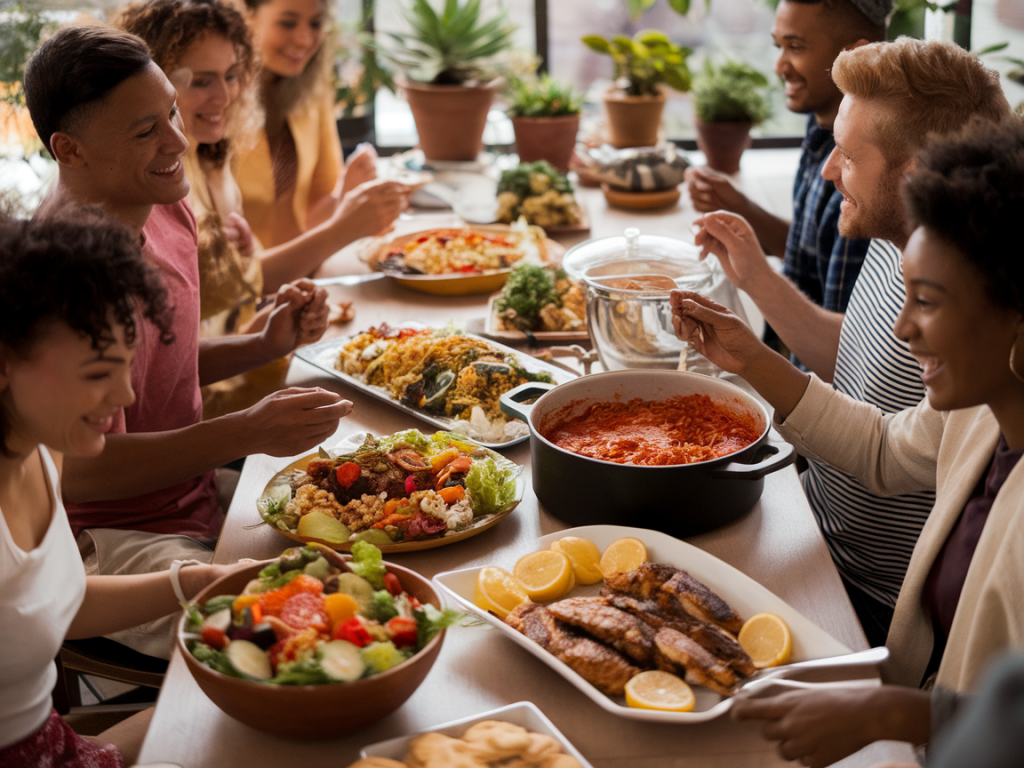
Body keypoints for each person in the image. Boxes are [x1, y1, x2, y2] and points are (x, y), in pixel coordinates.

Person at [673, 115, 1024, 767]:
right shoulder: (984, 405)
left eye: (927, 301)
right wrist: (751, 359)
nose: (902, 327)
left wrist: (898, 712)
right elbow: (887, 449)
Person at [22, 24, 352, 658]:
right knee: (296, 640)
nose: (177, 140)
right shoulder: (63, 279)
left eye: (170, 112)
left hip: (195, 494)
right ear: (71, 151)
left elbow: (155, 369)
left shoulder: (162, 197)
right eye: (145, 131)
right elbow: (78, 472)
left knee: (373, 516)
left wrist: (263, 344)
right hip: (110, 540)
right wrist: (246, 432)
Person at [689, 39, 1010, 645]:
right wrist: (755, 294)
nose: (829, 170)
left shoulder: (977, 326)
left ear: (914, 177)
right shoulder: (895, 236)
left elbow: (889, 453)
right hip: (808, 522)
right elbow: (860, 356)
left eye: (846, 156)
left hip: (869, 597)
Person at [0, 211, 247, 767]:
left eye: (125, 368)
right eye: (96, 374)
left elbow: (50, 603)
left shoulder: (44, 449)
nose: (125, 397)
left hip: (58, 744)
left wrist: (199, 582)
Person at [114, 0, 407, 417]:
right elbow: (223, 289)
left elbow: (224, 289)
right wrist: (341, 227)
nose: (226, 95)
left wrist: (263, 322)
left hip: (239, 349)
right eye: (201, 81)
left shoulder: (209, 153)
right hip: (212, 395)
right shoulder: (160, 178)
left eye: (233, 76)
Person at [686, 0, 886, 315]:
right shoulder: (820, 124)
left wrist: (757, 280)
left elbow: (843, 350)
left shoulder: (871, 180)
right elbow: (808, 253)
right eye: (779, 46)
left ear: (857, 54)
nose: (779, 65)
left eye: (795, 47)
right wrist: (738, 207)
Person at [234, 0, 397, 249]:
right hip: (241, 279)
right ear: (245, 15)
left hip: (304, 274)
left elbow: (317, 212)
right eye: (287, 23)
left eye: (316, 23)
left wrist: (346, 193)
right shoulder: (213, 103)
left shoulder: (312, 91)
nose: (304, 40)